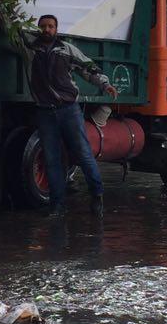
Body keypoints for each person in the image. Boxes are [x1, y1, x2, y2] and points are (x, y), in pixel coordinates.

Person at [19, 14, 118, 217]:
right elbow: (10, 29)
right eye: (43, 26)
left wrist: (105, 84)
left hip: (69, 110)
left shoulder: (67, 49)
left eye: (51, 26)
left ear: (56, 29)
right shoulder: (29, 48)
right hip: (45, 112)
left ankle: (97, 195)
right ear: (38, 28)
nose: (47, 29)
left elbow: (88, 68)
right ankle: (57, 206)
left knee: (83, 153)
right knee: (52, 159)